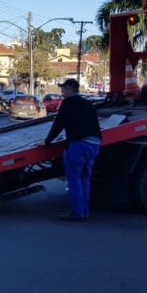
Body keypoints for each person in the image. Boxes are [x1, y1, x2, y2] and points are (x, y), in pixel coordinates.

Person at [43, 79, 102, 222]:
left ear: (70, 90)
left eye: (63, 90)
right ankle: (84, 212)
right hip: (94, 144)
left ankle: (77, 213)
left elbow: (58, 124)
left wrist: (47, 142)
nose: (62, 93)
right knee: (85, 179)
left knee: (74, 180)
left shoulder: (68, 103)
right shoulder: (88, 103)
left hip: (78, 145)